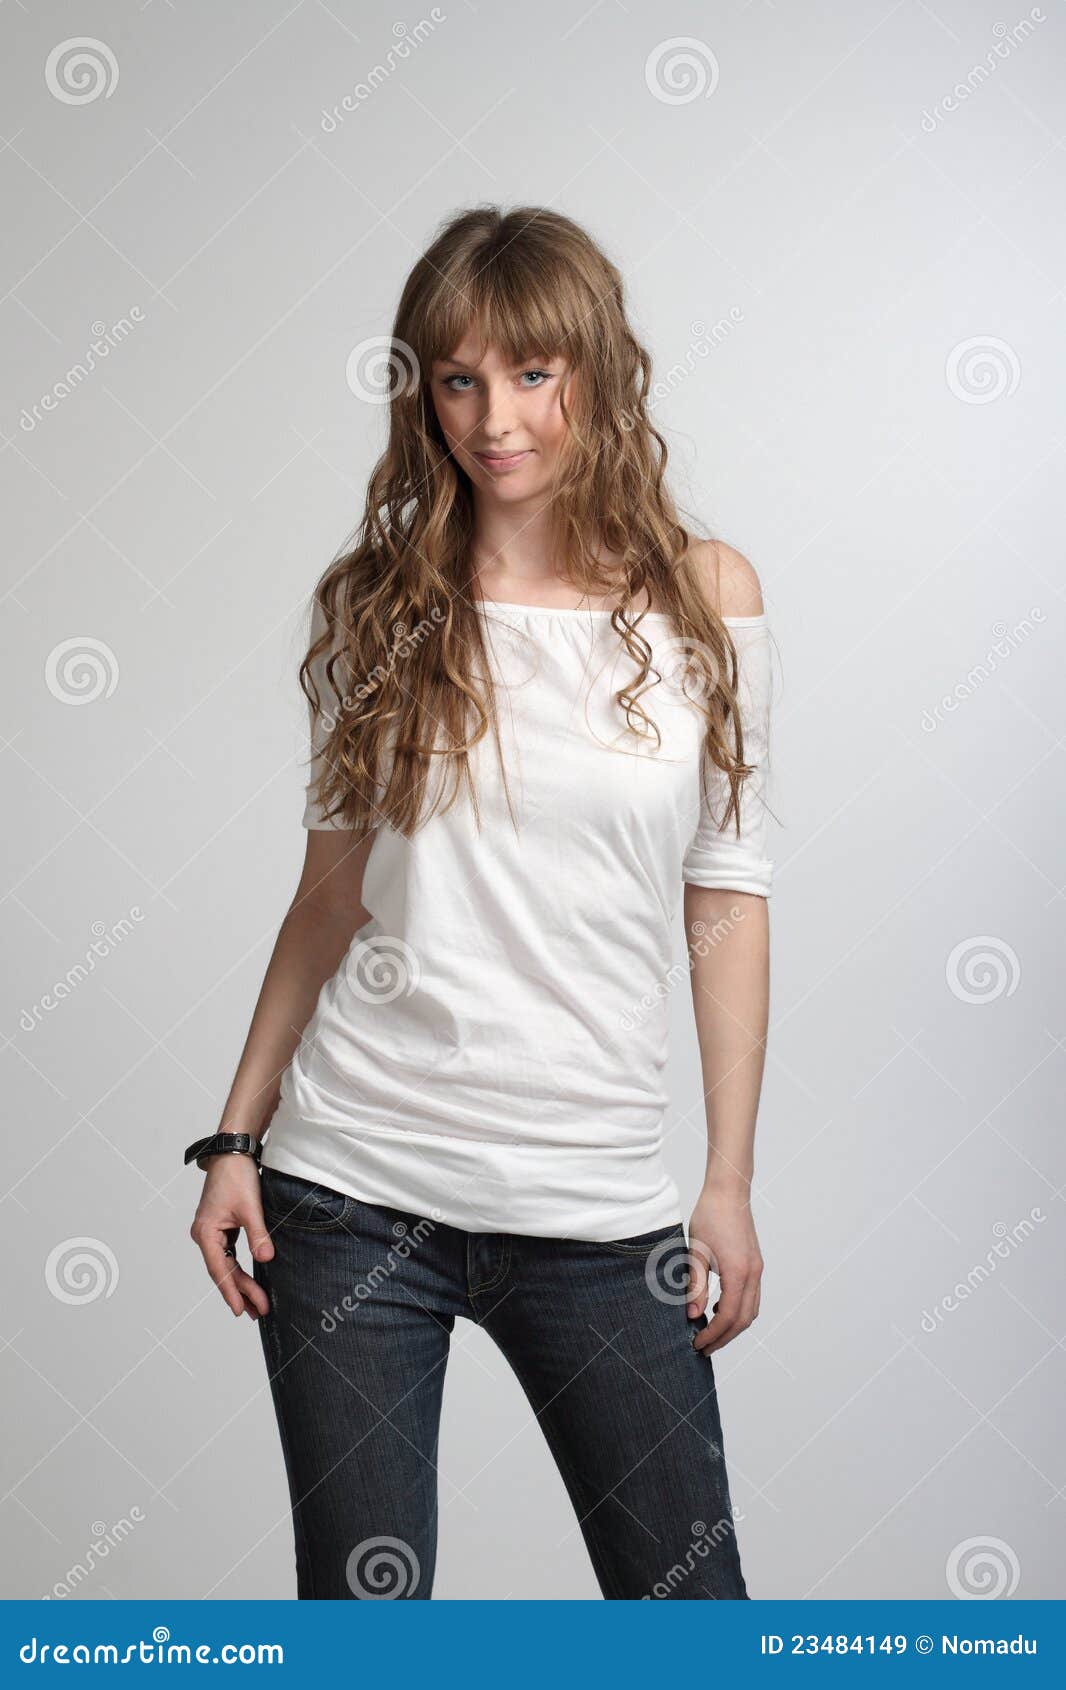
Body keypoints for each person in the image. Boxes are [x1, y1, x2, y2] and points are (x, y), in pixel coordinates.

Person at [187, 205, 775, 1600]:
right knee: (364, 1617)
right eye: (456, 379)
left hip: (592, 1201)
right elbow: (328, 897)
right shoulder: (379, 606)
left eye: (530, 374)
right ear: (420, 392)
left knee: (690, 1617)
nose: (494, 418)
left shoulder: (704, 601)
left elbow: (728, 894)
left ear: (596, 375)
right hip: (349, 1195)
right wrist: (233, 1136)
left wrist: (728, 1182)